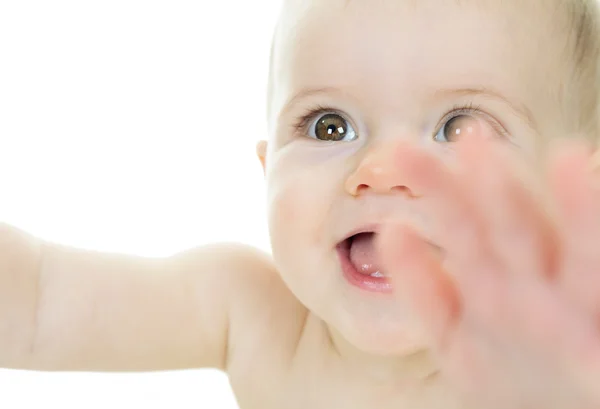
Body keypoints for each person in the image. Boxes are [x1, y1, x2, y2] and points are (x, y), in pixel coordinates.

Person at [2, 0, 600, 407]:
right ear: (267, 168)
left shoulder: (558, 364)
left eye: (458, 128)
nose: (379, 172)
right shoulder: (254, 318)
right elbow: (38, 306)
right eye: (329, 127)